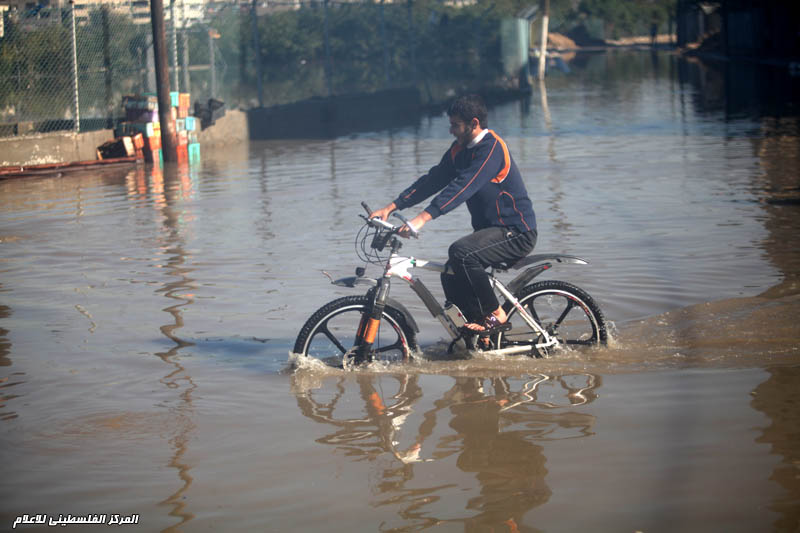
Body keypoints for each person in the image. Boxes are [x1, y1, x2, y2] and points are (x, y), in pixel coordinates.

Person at [370, 95, 537, 335]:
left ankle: (496, 314)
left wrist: (422, 219)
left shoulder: (491, 148)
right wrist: (392, 207)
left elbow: (463, 186)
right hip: (490, 232)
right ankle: (476, 337)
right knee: (450, 274)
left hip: (517, 232)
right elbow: (433, 180)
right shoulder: (459, 149)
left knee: (461, 252)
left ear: (474, 123)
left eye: (455, 125)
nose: (450, 131)